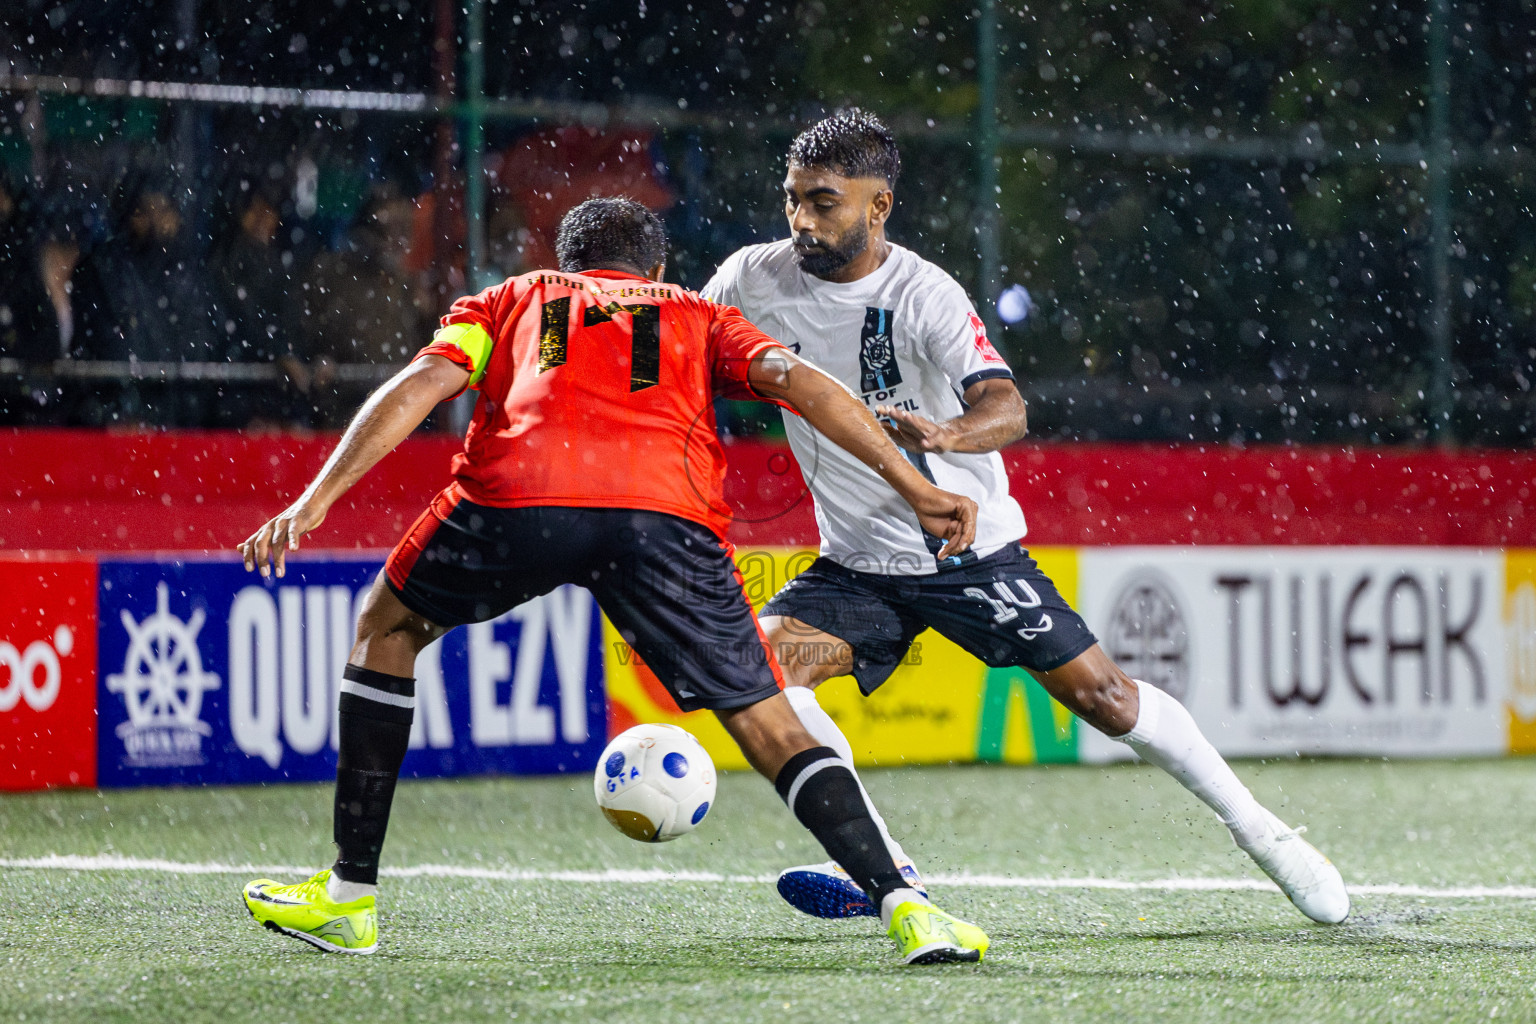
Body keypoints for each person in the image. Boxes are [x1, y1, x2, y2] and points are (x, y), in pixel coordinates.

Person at [237, 197, 991, 965]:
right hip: (661, 516)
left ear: (568, 264)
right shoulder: (699, 316)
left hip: (518, 500)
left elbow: (426, 381)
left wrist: (314, 500)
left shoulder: (513, 298)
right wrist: (917, 487)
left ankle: (349, 894)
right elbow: (804, 384)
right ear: (656, 269)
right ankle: (906, 907)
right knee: (768, 722)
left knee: (388, 629)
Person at [700, 110, 1350, 926]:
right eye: (793, 200)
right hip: (857, 564)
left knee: (1108, 700)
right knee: (762, 677)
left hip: (965, 551)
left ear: (879, 206)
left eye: (824, 202)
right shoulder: (748, 278)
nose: (802, 221)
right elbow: (686, 355)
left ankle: (1267, 836)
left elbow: (1007, 406)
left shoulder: (922, 292)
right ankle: (886, 869)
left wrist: (947, 434)